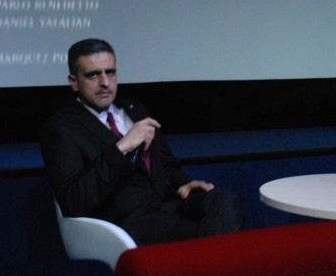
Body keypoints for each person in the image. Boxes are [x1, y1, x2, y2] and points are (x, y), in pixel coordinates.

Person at [40, 38, 244, 245]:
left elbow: (166, 165)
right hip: (129, 220)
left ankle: (214, 261)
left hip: (168, 204)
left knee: (223, 199)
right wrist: (121, 148)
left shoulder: (135, 110)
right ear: (74, 82)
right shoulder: (61, 128)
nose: (105, 82)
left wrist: (183, 183)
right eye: (93, 75)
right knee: (206, 234)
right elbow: (74, 201)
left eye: (110, 72)